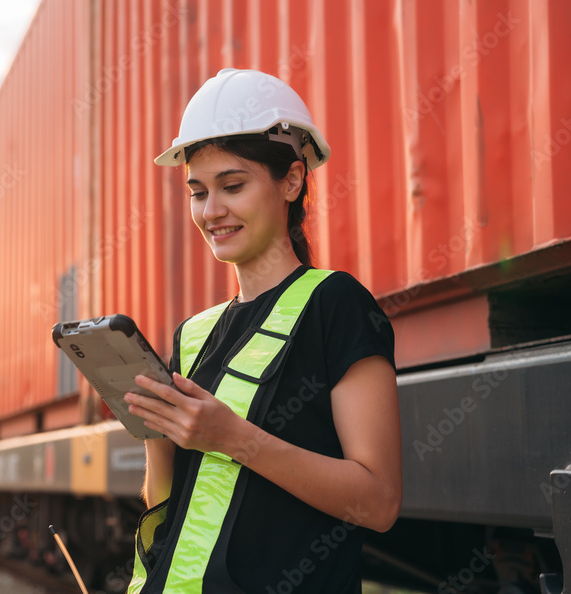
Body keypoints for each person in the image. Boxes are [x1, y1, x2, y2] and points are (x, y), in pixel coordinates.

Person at [124, 68, 402, 593]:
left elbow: (379, 501)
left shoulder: (335, 304)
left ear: (292, 181)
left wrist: (233, 438)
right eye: (197, 191)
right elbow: (169, 505)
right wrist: (156, 434)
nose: (211, 211)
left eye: (232, 185)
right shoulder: (193, 334)